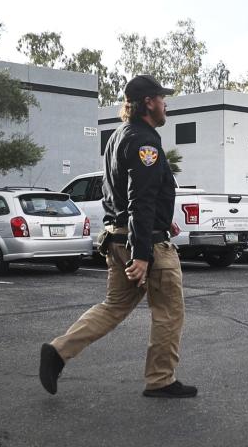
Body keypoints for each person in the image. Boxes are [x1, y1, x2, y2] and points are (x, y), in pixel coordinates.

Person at [39, 74, 196, 398]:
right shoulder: (146, 142)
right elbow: (140, 197)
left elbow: (123, 196)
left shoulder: (118, 137)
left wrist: (163, 222)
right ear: (149, 102)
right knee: (168, 312)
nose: (167, 104)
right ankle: (160, 380)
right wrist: (142, 253)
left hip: (118, 237)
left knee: (113, 307)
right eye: (162, 98)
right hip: (143, 244)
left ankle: (58, 351)